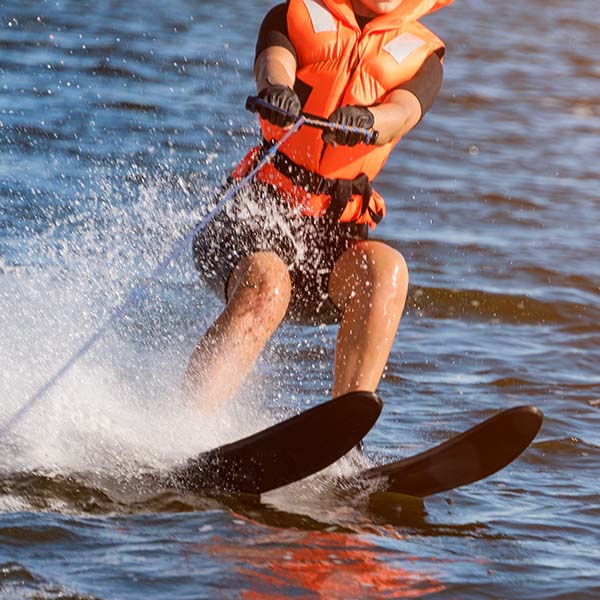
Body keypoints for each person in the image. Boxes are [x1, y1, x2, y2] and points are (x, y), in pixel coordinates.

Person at [186, 0, 451, 410]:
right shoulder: (293, 15)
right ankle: (189, 424)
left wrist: (369, 122)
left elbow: (402, 112)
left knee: (386, 270)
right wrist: (276, 90)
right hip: (250, 222)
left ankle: (346, 433)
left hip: (330, 243)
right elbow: (273, 63)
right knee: (268, 282)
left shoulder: (424, 59)